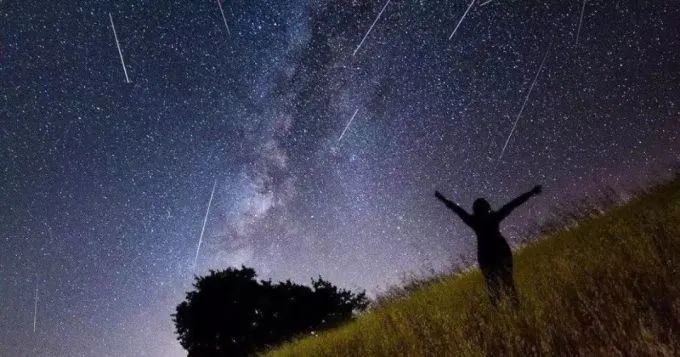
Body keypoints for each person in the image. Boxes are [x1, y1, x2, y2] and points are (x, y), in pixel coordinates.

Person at [435, 185, 542, 305]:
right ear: (487, 208)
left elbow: (456, 209)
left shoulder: (474, 221)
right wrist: (531, 192)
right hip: (500, 254)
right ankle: (514, 309)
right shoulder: (493, 217)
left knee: (495, 288)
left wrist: (443, 199)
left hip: (488, 258)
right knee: (507, 285)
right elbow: (513, 204)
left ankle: (504, 312)